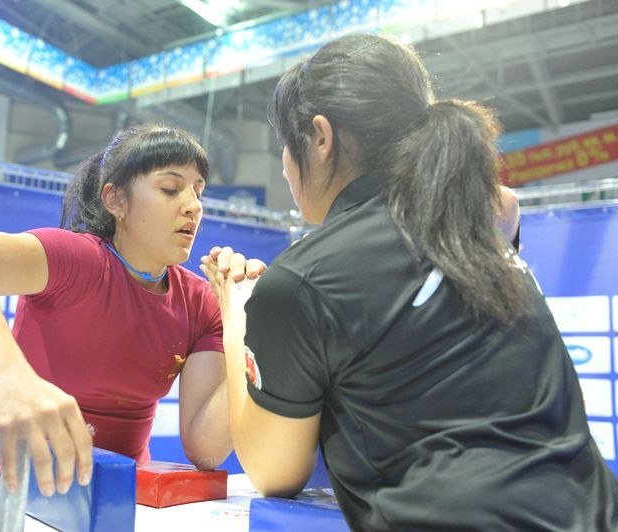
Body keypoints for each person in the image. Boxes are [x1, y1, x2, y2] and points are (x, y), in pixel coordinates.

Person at [201, 34, 618, 531]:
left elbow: (273, 471)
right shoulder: (478, 238)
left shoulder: (305, 279)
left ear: (320, 137)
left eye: (286, 147)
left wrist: (237, 312)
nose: (287, 169)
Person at [0, 124, 239, 499]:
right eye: (170, 188)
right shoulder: (78, 260)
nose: (193, 206)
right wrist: (1, 373)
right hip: (27, 503)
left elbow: (206, 449)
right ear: (116, 200)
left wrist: (241, 319)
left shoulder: (199, 301)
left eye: (199, 191)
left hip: (122, 506)